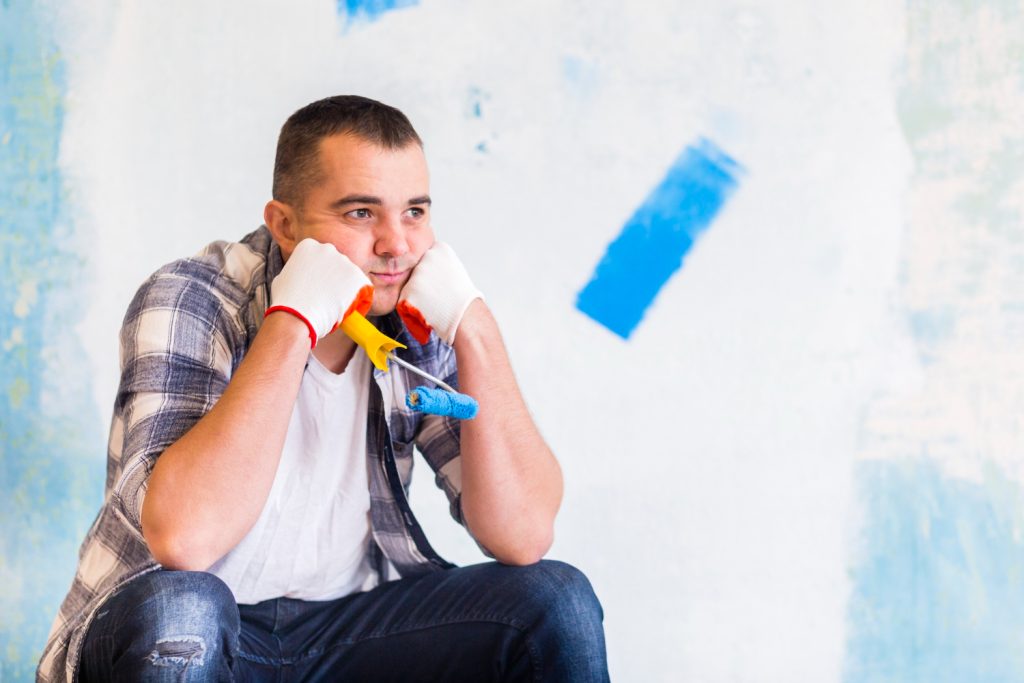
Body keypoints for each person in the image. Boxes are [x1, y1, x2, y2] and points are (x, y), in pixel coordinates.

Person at [37, 95, 609, 682]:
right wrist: (293, 321)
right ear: (284, 223)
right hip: (189, 631)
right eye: (361, 213)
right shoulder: (195, 299)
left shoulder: (413, 317)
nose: (396, 245)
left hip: (343, 635)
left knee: (555, 598)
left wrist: (474, 328)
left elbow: (522, 535)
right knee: (187, 610)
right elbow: (184, 541)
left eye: (414, 211)